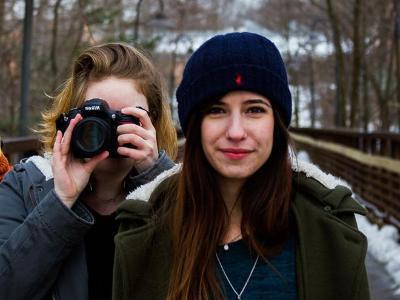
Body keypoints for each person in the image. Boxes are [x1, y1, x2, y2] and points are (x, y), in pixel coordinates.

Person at [113, 32, 370, 300]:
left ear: (276, 124)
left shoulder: (328, 227)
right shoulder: (146, 229)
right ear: (195, 127)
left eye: (254, 110)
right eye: (217, 110)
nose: (236, 132)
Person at [0, 42, 177, 300]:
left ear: (154, 123)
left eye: (127, 119)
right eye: (100, 119)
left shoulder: (183, 192)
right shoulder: (25, 185)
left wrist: (157, 180)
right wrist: (61, 201)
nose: (112, 132)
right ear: (70, 119)